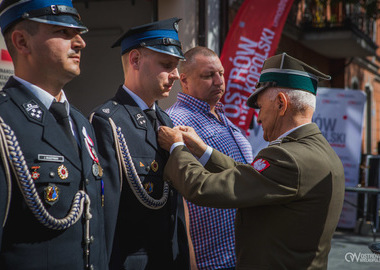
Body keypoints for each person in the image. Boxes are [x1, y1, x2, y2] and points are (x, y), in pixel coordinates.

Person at [158, 53, 345, 269]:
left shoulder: (288, 158)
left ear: (281, 104)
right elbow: (251, 175)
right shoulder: (319, 151)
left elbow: (204, 188)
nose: (258, 117)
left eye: (261, 107)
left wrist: (177, 147)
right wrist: (203, 150)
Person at [0, 0, 108, 269]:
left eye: (78, 33)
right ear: (22, 42)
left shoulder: (82, 123)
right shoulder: (5, 122)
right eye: (63, 32)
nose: (81, 43)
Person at [90, 18, 189, 270]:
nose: (176, 75)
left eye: (176, 66)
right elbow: (106, 213)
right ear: (135, 60)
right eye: (167, 65)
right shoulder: (108, 121)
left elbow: (175, 207)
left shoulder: (165, 120)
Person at [166, 46, 253, 270]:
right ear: (184, 80)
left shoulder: (224, 117)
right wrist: (190, 262)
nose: (218, 81)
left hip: (241, 255)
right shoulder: (177, 122)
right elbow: (179, 199)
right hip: (211, 261)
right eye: (208, 75)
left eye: (221, 73)